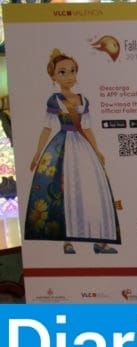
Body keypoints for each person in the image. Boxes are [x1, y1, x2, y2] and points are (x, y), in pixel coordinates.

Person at [23, 48, 120, 255]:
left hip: (83, 148)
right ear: (53, 76)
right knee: (64, 191)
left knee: (91, 190)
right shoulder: (54, 100)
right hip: (61, 148)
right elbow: (46, 128)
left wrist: (97, 150)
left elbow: (88, 128)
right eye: (62, 72)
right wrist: (38, 153)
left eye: (72, 71)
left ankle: (99, 240)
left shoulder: (83, 99)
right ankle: (67, 241)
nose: (69, 76)